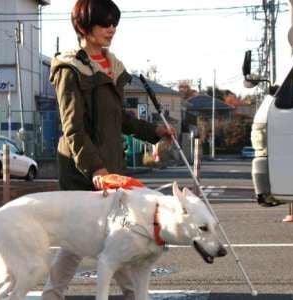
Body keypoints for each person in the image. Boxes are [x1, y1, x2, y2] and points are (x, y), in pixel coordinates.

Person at [42, 0, 175, 299]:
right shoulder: (70, 68)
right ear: (84, 27)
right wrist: (95, 169)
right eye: (104, 23)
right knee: (87, 238)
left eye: (114, 23)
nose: (111, 29)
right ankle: (128, 294)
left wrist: (154, 132)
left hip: (112, 167)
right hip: (83, 169)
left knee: (95, 238)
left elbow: (119, 118)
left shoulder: (111, 65)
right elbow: (72, 128)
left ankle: (55, 295)